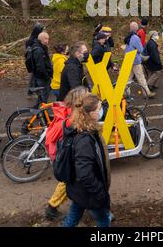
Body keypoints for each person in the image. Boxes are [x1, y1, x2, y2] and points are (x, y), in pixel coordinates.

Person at [62, 94, 111, 227]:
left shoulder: (83, 128)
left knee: (72, 219)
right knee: (104, 221)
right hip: (89, 193)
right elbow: (84, 173)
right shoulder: (85, 139)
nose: (102, 111)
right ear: (91, 113)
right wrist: (100, 192)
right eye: (100, 108)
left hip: (79, 191)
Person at [45, 86, 91, 220]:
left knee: (74, 181)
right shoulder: (71, 119)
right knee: (68, 182)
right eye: (87, 96)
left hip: (67, 155)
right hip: (66, 156)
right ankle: (52, 207)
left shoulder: (70, 113)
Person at [124, 22, 155, 98]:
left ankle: (126, 93)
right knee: (141, 77)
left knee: (128, 78)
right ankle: (147, 93)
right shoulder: (135, 37)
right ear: (137, 29)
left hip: (128, 59)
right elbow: (141, 49)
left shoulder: (128, 36)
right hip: (135, 60)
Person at [31, 31, 53, 105]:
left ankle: (38, 112)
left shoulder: (42, 47)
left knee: (42, 98)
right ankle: (41, 114)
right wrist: (47, 76)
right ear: (41, 39)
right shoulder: (39, 50)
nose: (47, 41)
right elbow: (40, 66)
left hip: (42, 77)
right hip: (42, 78)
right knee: (43, 97)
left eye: (48, 39)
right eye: (46, 39)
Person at [26, 23, 45, 95]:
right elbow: (28, 52)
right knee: (33, 76)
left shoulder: (36, 39)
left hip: (36, 60)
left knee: (35, 76)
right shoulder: (31, 40)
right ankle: (30, 91)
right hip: (33, 61)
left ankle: (34, 90)